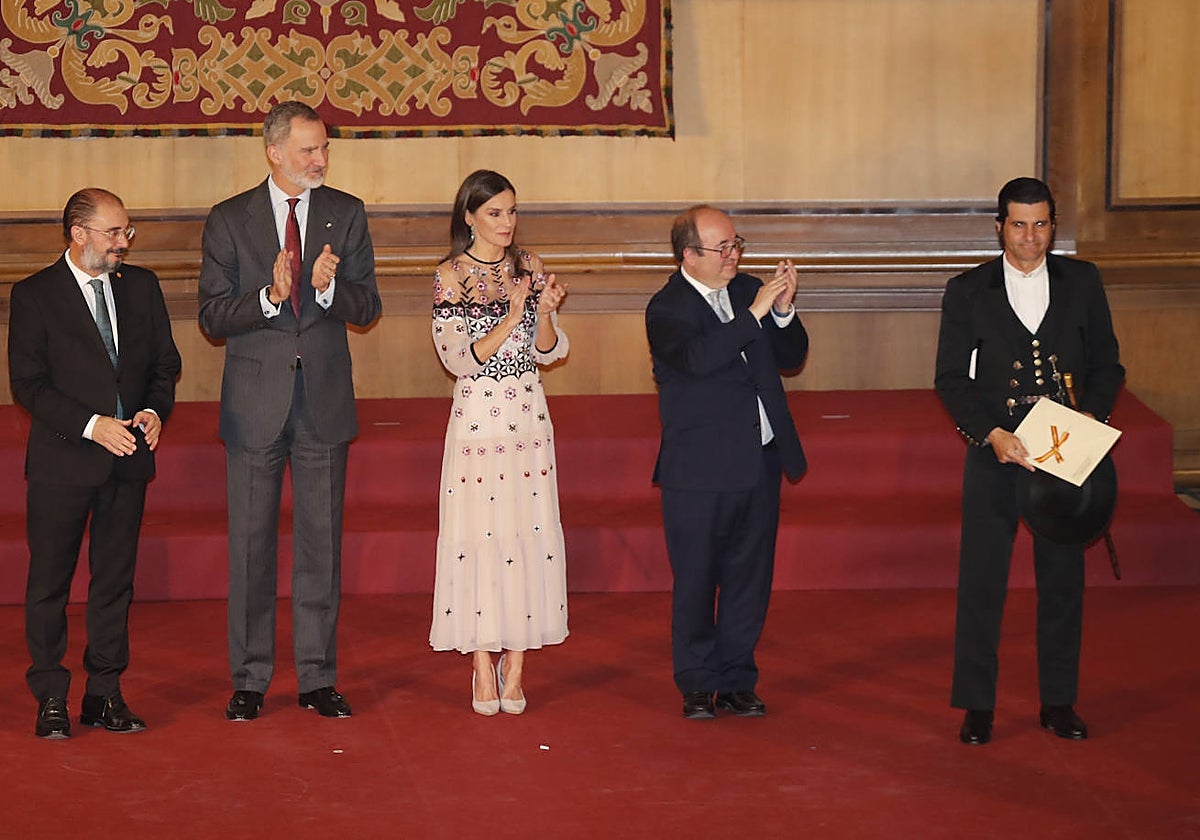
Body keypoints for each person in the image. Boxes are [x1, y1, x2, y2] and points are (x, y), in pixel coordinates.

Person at [198, 101, 382, 721]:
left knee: (320, 545)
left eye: (324, 147)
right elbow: (212, 317)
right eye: (308, 149)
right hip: (255, 404)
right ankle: (249, 678)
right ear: (274, 152)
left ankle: (316, 677)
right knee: (250, 546)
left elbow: (367, 306)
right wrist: (270, 296)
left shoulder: (345, 213)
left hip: (323, 403)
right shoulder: (229, 220)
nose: (320, 159)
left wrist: (326, 289)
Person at [934, 177, 1124, 745]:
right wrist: (990, 432)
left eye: (1041, 224)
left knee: (1063, 582)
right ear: (999, 226)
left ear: (1053, 226)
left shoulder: (1083, 281)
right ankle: (977, 706)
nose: (1030, 236)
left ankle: (1059, 702)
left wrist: (1087, 419)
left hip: (1064, 452)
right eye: (1018, 224)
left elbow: (1108, 364)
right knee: (982, 582)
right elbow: (949, 379)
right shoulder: (967, 290)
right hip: (996, 451)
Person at [8, 187, 181, 739]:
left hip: (127, 460)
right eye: (112, 233)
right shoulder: (35, 294)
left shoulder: (143, 287)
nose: (123, 243)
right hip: (64, 462)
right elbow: (29, 384)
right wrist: (92, 425)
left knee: (114, 584)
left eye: (126, 232)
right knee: (49, 584)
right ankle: (51, 696)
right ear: (78, 234)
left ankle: (104, 693)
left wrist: (154, 409)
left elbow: (164, 363)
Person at [646, 204, 809, 720]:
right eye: (724, 248)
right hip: (698, 469)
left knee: (749, 574)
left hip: (758, 458)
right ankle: (696, 681)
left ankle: (738, 676)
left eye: (737, 244)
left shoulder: (749, 290)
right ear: (689, 255)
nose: (734, 255)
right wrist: (756, 315)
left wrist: (782, 311)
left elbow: (791, 356)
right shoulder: (666, 308)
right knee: (696, 577)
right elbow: (699, 360)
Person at [429, 169, 569, 715]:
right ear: (469, 216)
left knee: (525, 529)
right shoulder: (450, 276)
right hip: (480, 419)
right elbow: (458, 359)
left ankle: (517, 665)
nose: (507, 223)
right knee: (480, 535)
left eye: (512, 211)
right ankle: (481, 663)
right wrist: (512, 316)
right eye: (494, 213)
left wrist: (547, 311)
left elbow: (548, 350)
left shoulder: (528, 267)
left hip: (527, 414)